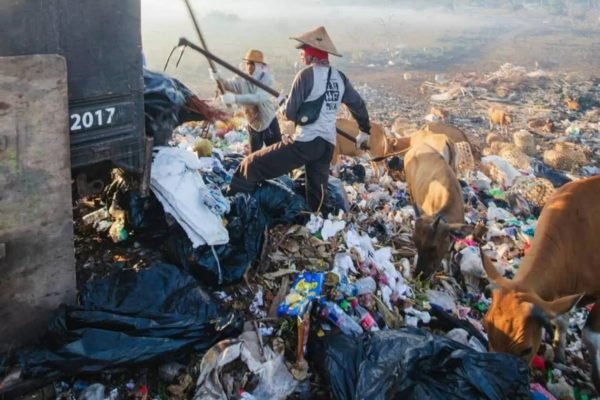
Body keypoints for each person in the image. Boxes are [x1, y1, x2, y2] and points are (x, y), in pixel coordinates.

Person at [228, 26, 371, 212]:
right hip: (327, 144)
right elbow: (358, 105)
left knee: (249, 166)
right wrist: (364, 131)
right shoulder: (339, 77)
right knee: (317, 195)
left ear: (311, 53)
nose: (301, 55)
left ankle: (233, 210)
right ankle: (318, 222)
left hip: (305, 142)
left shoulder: (306, 75)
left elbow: (290, 113)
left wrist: (283, 104)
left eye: (303, 51)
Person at [210, 49, 281, 153]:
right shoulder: (241, 79)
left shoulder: (267, 79)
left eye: (252, 64)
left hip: (268, 122)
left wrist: (235, 98)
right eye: (248, 63)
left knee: (277, 153)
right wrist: (217, 77)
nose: (249, 67)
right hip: (253, 123)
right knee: (253, 156)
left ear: (260, 65)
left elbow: (258, 98)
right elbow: (227, 85)